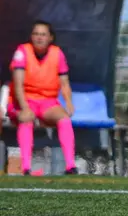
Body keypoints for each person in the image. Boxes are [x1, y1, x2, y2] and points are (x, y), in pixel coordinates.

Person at [7, 20, 78, 175]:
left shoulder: (57, 53)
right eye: (36, 34)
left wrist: (69, 102)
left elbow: (64, 82)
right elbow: (18, 84)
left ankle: (70, 166)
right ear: (31, 36)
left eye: (43, 34)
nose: (39, 38)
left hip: (48, 102)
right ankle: (26, 167)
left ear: (50, 38)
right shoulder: (22, 51)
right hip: (24, 100)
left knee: (64, 119)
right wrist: (25, 107)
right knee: (27, 118)